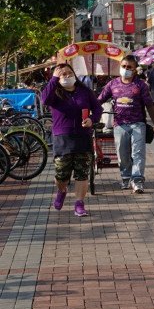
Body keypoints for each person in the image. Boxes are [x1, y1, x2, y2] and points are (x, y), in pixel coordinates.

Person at [42, 64, 103, 217]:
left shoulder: (84, 91)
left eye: (70, 73)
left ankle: (79, 203)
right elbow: (44, 100)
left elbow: (98, 108)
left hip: (83, 137)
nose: (67, 76)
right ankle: (62, 190)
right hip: (62, 138)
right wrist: (54, 79)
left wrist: (91, 119)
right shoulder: (55, 92)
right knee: (62, 174)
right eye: (63, 74)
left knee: (82, 173)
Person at [98, 55, 154, 193]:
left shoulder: (141, 85)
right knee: (123, 155)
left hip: (138, 124)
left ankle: (137, 180)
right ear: (120, 67)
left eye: (129, 67)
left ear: (135, 70)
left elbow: (149, 106)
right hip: (120, 125)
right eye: (124, 66)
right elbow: (99, 100)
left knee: (138, 153)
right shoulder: (112, 84)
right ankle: (126, 177)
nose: (126, 69)